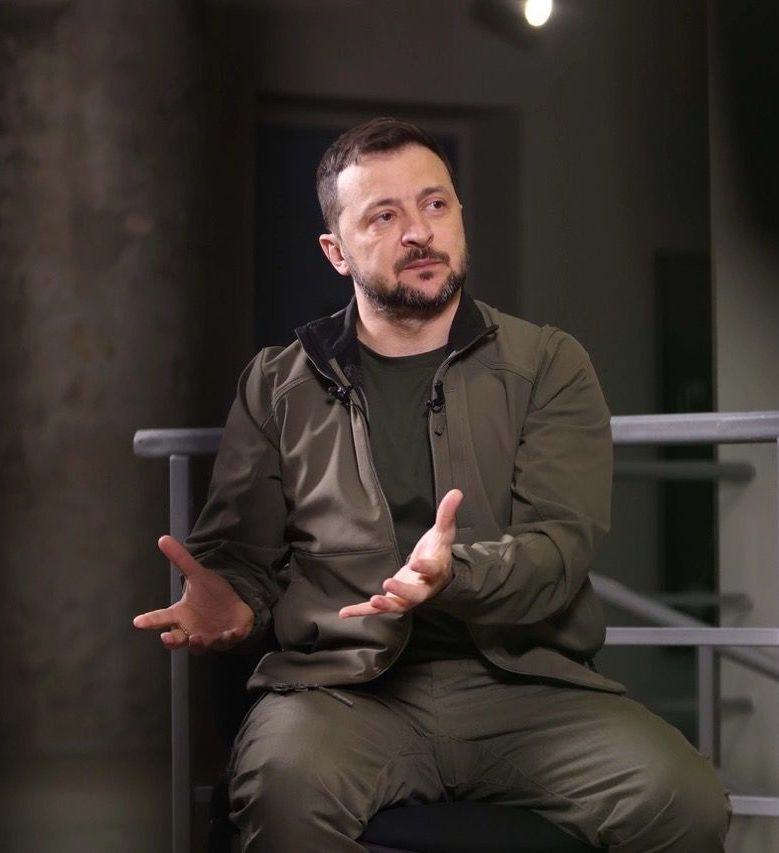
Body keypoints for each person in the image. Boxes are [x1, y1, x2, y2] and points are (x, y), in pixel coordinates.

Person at [133, 117, 729, 852]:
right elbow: (241, 557)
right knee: (283, 788)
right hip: (342, 692)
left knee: (683, 799)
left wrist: (453, 575)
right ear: (336, 251)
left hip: (525, 689)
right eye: (383, 216)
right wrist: (231, 598)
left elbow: (559, 547)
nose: (419, 231)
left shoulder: (547, 363)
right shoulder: (278, 384)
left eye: (435, 204)